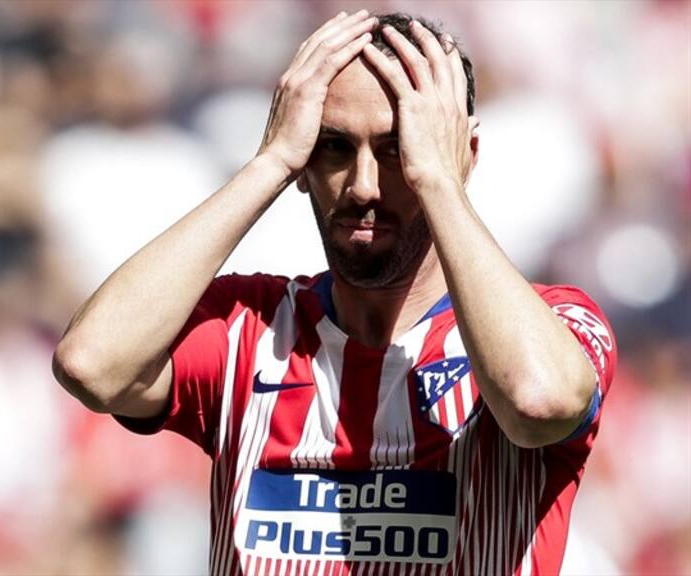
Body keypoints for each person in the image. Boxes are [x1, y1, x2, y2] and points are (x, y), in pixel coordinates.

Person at [53, 10, 617, 575]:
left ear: (462, 154)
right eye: (334, 147)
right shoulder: (252, 331)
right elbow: (91, 364)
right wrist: (270, 161)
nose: (364, 185)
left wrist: (440, 182)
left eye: (399, 149)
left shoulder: (556, 322)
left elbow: (537, 402)